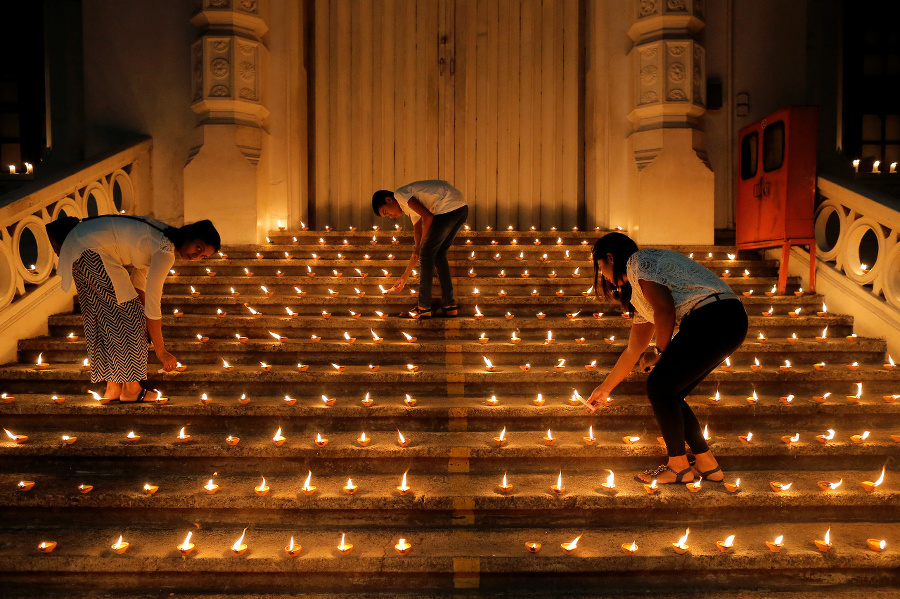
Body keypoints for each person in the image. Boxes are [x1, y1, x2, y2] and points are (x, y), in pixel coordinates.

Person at [585, 232, 748, 484]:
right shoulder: (640, 294)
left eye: (601, 266)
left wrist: (660, 353)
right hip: (726, 319)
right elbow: (634, 349)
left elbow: (665, 310)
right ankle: (707, 464)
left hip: (713, 316)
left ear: (610, 257)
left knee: (660, 388)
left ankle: (678, 467)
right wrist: (604, 388)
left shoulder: (639, 261)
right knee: (670, 392)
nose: (603, 274)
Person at [57, 216, 220, 402]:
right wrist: (161, 352)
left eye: (203, 256)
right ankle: (131, 388)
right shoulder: (165, 251)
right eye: (198, 248)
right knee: (129, 314)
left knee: (108, 317)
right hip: (91, 251)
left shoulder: (162, 237)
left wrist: (144, 320)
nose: (196, 256)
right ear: (190, 235)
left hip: (79, 247)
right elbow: (152, 303)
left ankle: (113, 387)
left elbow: (138, 284)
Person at [372, 180, 468, 318]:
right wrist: (404, 277)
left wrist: (421, 249)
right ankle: (450, 305)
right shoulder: (409, 209)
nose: (390, 216)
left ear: (389, 199)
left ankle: (423, 307)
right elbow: (417, 242)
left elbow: (428, 217)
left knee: (427, 254)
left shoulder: (400, 194)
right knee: (439, 255)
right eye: (386, 216)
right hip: (460, 208)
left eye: (386, 212)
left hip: (449, 207)